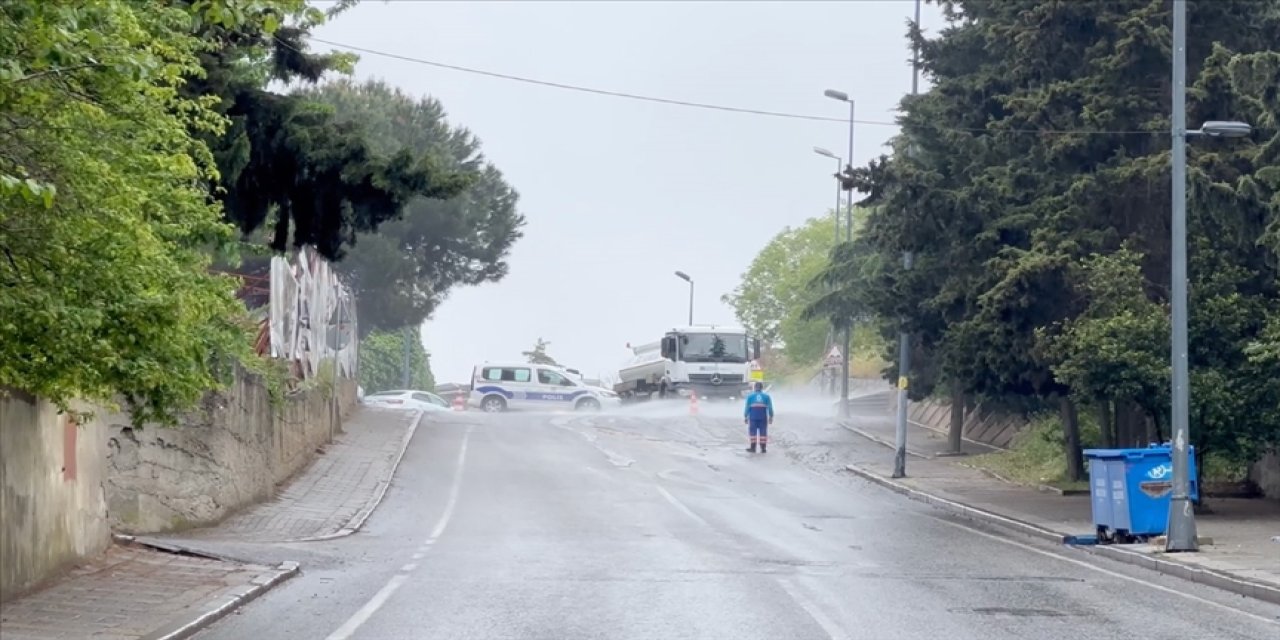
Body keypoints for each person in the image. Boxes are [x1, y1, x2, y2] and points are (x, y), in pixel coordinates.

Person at [743, 381, 774, 453]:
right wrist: (771, 416)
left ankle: (753, 448)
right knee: (763, 432)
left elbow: (747, 408)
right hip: (763, 417)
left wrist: (745, 416)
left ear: (754, 388)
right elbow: (770, 408)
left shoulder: (750, 396)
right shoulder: (766, 397)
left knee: (752, 432)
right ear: (762, 388)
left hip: (753, 417)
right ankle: (763, 448)